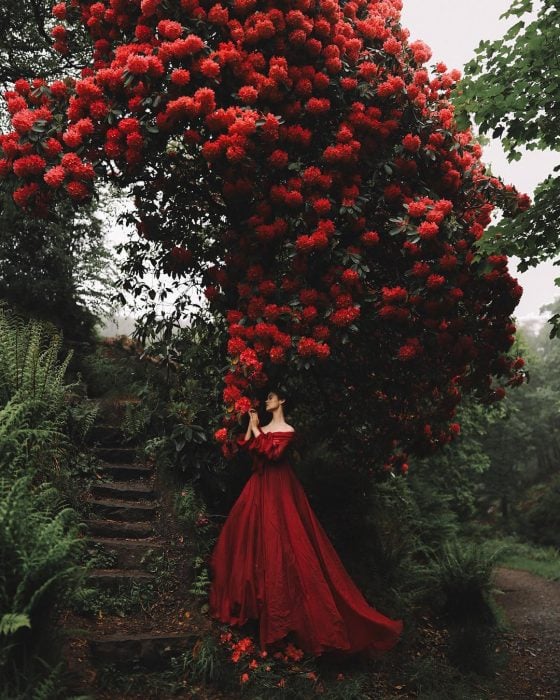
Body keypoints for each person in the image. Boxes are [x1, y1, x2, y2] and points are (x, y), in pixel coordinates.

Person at [208, 388, 403, 656]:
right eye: (267, 398)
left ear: (282, 401)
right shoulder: (265, 427)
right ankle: (253, 613)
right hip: (260, 488)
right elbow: (255, 453)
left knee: (285, 545)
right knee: (249, 541)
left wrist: (255, 429)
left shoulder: (288, 429)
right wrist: (254, 427)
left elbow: (273, 455)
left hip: (280, 490)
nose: (267, 401)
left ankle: (285, 623)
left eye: (272, 397)